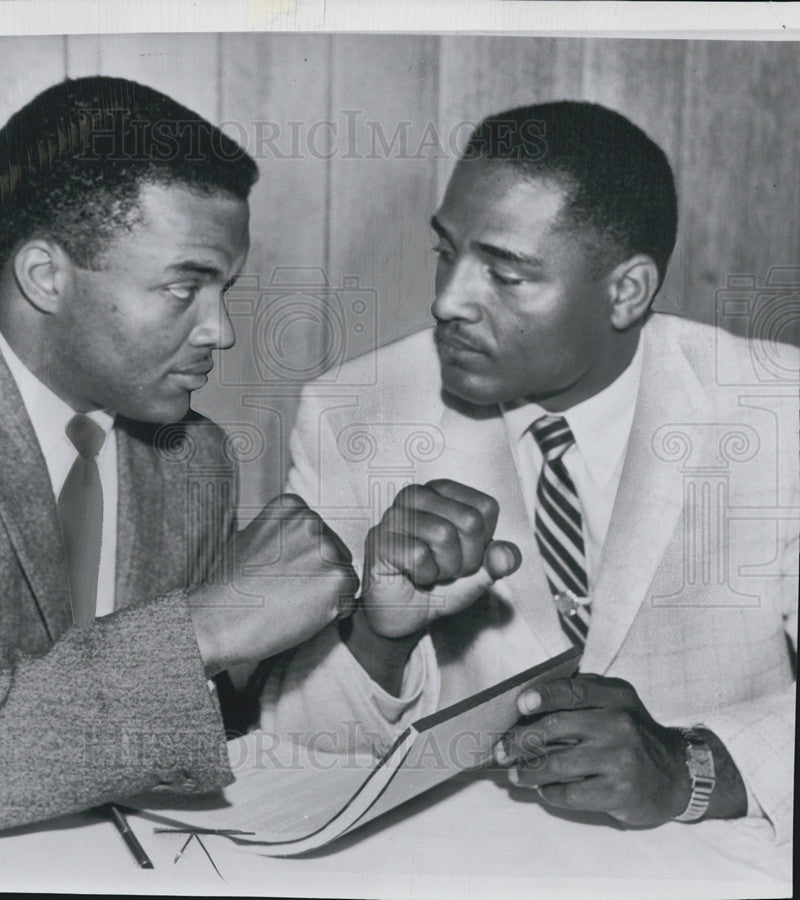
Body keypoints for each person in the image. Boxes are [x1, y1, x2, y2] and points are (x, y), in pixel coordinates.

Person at [0, 76, 359, 852]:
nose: (221, 330)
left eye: (226, 290)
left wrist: (376, 634)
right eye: (185, 287)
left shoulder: (197, 457)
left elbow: (197, 731)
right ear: (46, 276)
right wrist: (204, 625)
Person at [260, 101, 797, 843]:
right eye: (446, 253)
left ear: (626, 291)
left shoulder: (779, 410)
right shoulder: (353, 416)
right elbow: (295, 746)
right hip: (467, 863)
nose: (447, 301)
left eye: (505, 275)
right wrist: (380, 636)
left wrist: (695, 769)